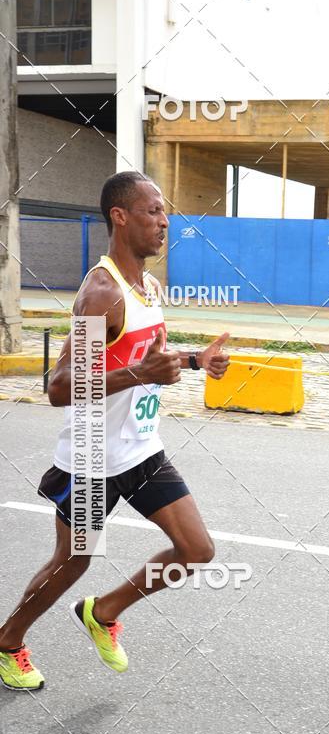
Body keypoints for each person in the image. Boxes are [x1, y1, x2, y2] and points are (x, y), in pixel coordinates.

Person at [0, 171, 230, 690]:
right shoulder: (101, 293)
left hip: (141, 450)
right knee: (73, 562)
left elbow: (145, 356)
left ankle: (103, 612)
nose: (164, 221)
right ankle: (7, 641)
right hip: (89, 460)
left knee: (196, 550)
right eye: (152, 211)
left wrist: (195, 360)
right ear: (120, 217)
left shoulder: (147, 285)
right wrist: (139, 375)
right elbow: (59, 386)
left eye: (165, 212)